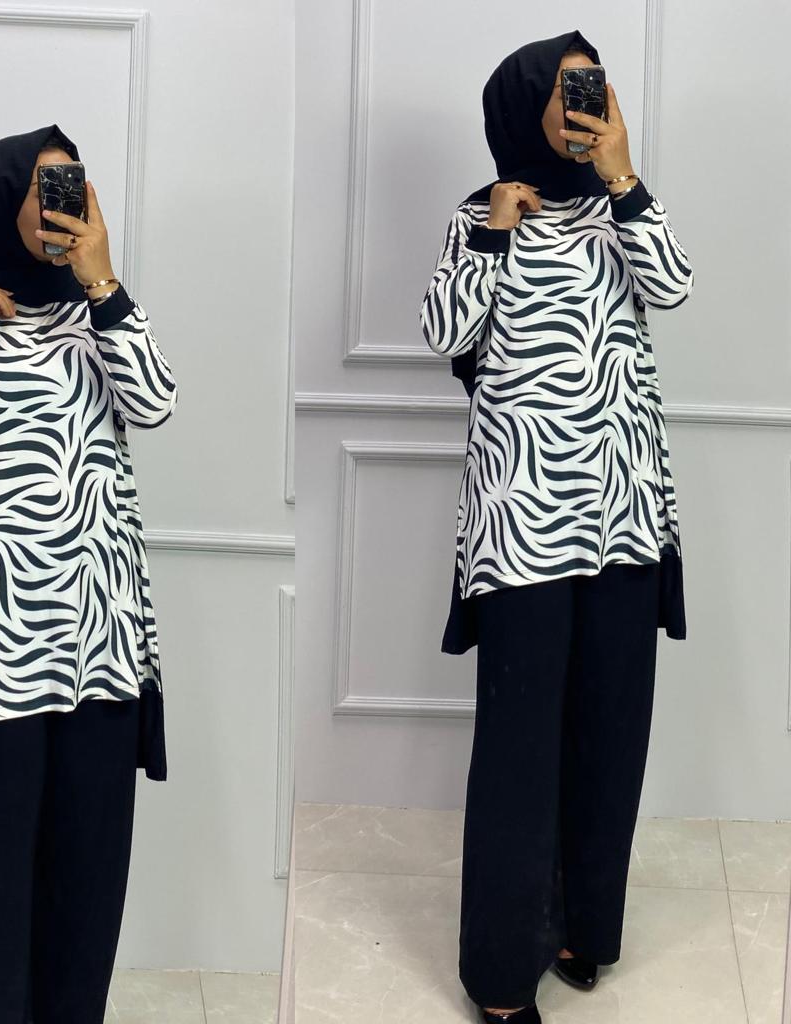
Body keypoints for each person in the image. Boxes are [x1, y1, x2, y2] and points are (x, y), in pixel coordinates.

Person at [419, 31, 693, 1024]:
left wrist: (622, 177)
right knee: (519, 751)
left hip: (625, 520)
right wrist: (494, 233)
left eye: (594, 84)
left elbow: (672, 287)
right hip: (524, 529)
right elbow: (445, 333)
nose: (586, 99)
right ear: (526, 101)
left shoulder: (624, 206)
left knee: (611, 734)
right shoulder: (481, 214)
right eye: (568, 86)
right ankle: (499, 977)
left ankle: (583, 928)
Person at [0, 123, 178, 1023]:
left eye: (74, 187)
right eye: (46, 188)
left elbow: (156, 403)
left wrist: (103, 280)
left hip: (101, 645)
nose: (64, 205)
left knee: (89, 873)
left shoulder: (102, 314)